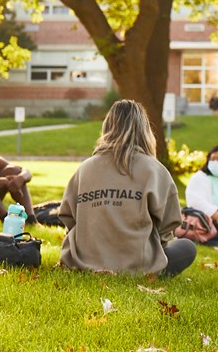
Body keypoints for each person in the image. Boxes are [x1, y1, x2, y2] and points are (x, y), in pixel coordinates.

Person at [57, 100, 196, 277]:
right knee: (186, 247)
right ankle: (145, 269)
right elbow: (168, 224)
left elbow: (68, 217)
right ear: (145, 130)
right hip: (138, 265)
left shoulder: (85, 168)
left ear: (107, 127)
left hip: (83, 263)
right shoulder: (154, 170)